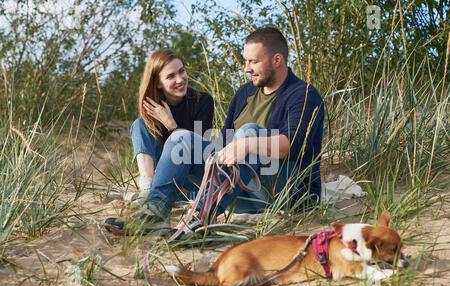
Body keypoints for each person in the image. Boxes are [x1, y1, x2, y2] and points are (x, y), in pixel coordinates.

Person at [105, 27, 324, 237]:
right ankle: (152, 215)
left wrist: (246, 144)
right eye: (246, 61)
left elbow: (291, 146)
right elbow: (224, 144)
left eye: (253, 61)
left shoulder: (303, 95)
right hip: (238, 193)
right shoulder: (245, 93)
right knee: (181, 138)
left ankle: (201, 218)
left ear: (277, 60)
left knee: (249, 132)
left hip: (279, 190)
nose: (247, 68)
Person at [127, 49, 213, 203]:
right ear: (158, 83)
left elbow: (199, 151)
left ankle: (159, 195)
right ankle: (147, 190)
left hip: (192, 180)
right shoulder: (153, 108)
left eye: (182, 71)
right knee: (140, 124)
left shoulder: (203, 101)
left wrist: (171, 125)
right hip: (162, 178)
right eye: (171, 76)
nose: (180, 79)